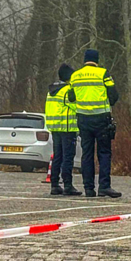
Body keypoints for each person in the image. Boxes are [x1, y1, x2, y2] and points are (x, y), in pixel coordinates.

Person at [67, 49, 121, 198]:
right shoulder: (103, 73)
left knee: (87, 154)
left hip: (83, 119)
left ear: (85, 60)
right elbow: (114, 95)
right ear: (97, 60)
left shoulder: (75, 76)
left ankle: (88, 188)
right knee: (104, 153)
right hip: (101, 118)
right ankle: (104, 186)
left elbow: (71, 97)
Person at [46, 64, 81, 196]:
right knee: (68, 157)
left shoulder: (52, 91)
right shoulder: (67, 91)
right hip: (67, 128)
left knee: (57, 156)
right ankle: (68, 185)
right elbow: (76, 106)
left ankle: (54, 185)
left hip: (55, 128)